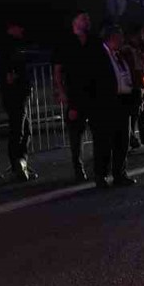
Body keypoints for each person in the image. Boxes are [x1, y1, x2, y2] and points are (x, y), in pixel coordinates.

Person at [86, 25, 144, 188]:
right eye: (119, 38)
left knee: (122, 141)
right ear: (111, 38)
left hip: (122, 102)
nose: (122, 41)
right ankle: (101, 176)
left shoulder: (120, 55)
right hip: (105, 105)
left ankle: (120, 174)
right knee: (103, 142)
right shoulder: (98, 56)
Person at [53, 12, 93, 181]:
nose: (86, 21)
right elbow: (57, 70)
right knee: (76, 134)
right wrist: (62, 91)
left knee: (99, 130)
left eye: (87, 19)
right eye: (82, 19)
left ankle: (100, 166)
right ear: (74, 23)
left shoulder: (93, 41)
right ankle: (78, 168)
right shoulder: (66, 44)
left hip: (93, 92)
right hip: (75, 94)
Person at [0, 21, 36, 181]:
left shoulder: (13, 46)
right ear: (12, 28)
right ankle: (17, 166)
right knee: (19, 131)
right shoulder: (8, 47)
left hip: (18, 94)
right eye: (19, 27)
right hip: (15, 95)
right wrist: (12, 77)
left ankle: (21, 165)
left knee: (24, 130)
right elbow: (8, 71)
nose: (22, 30)